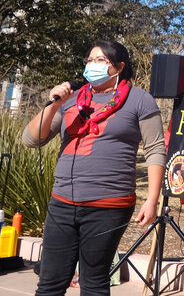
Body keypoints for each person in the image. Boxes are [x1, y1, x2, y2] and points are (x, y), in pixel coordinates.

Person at [22, 40, 166, 296]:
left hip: (109, 205)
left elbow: (155, 149)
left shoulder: (140, 100)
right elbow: (31, 140)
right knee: (49, 283)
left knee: (93, 282)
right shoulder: (71, 99)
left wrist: (152, 200)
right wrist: (55, 103)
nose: (92, 65)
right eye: (89, 60)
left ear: (119, 66)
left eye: (100, 61)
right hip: (62, 202)